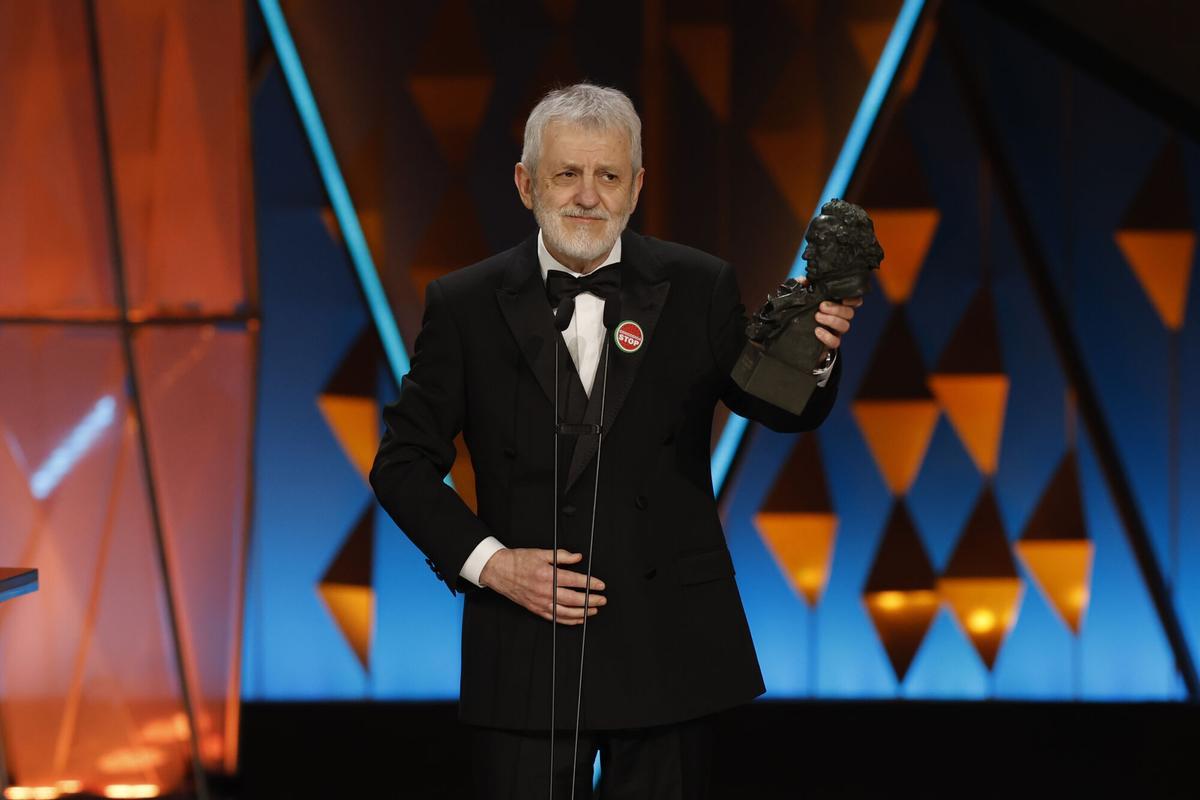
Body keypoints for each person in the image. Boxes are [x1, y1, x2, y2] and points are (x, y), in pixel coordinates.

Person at [370, 83, 862, 799]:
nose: (586, 196)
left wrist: (812, 353)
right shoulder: (465, 303)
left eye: (607, 176)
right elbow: (403, 463)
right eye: (567, 174)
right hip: (527, 645)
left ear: (635, 188)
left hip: (668, 649)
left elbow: (778, 406)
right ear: (526, 183)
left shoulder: (698, 287)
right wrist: (494, 564)